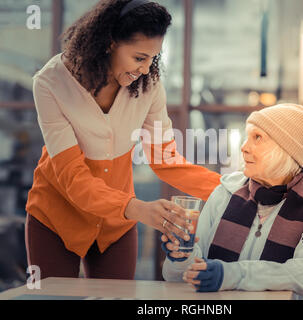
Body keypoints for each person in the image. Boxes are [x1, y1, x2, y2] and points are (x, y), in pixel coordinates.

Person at [25, 0, 221, 280]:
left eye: (153, 59)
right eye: (139, 58)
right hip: (57, 217)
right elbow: (72, 177)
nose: (146, 69)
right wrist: (138, 208)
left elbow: (166, 160)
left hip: (116, 222)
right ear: (109, 43)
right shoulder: (50, 83)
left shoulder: (149, 86)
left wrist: (232, 191)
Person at [161, 104, 303, 299]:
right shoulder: (225, 192)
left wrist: (231, 275)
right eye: (248, 137)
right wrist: (181, 257)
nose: (244, 147)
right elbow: (183, 278)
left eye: (258, 137)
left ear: (285, 150)